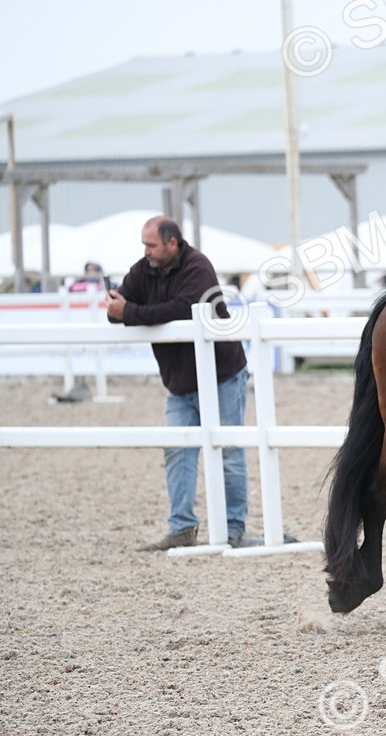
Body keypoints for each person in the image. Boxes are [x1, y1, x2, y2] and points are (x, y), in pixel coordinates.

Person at [106, 216, 250, 550]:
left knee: (229, 452)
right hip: (179, 382)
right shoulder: (144, 269)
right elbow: (119, 308)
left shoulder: (198, 267)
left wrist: (129, 312)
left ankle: (233, 529)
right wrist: (119, 309)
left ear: (172, 243)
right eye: (144, 245)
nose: (146, 252)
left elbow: (185, 310)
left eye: (151, 245)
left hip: (221, 375)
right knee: (176, 450)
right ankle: (182, 527)